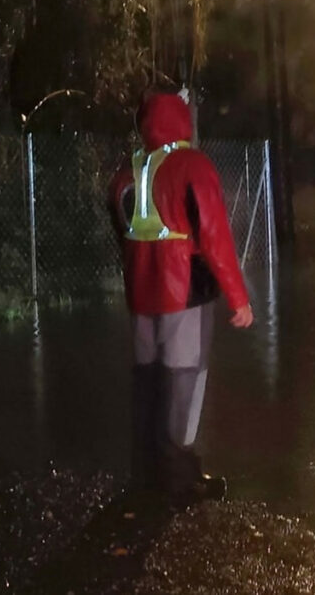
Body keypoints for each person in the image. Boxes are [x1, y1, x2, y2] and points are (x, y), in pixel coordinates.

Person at [110, 90, 253, 507]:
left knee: (148, 379)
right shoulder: (193, 165)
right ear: (182, 120)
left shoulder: (129, 170)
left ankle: (145, 473)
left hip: (141, 291)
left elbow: (119, 222)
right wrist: (238, 298)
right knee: (184, 379)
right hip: (184, 291)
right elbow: (214, 236)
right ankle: (182, 480)